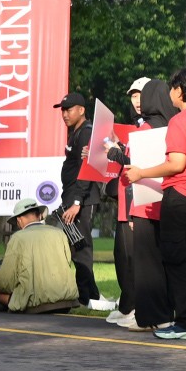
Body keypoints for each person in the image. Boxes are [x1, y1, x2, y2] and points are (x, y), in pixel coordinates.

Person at [122, 68, 186, 340]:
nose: (170, 93)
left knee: (176, 260)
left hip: (182, 196)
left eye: (172, 88)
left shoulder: (180, 121)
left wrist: (141, 173)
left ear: (180, 91)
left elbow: (176, 164)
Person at [106, 74, 171, 332]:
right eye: (133, 96)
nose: (137, 101)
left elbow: (138, 165)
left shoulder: (146, 129)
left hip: (143, 201)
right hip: (159, 199)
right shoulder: (168, 125)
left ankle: (144, 312)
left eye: (141, 95)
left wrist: (116, 152)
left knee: (142, 262)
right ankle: (147, 311)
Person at [55, 93, 111, 310]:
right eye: (63, 110)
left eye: (69, 109)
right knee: (77, 248)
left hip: (81, 201)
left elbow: (86, 171)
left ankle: (89, 298)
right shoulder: (76, 133)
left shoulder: (86, 132)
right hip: (72, 198)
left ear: (81, 110)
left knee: (82, 248)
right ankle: (88, 295)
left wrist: (76, 202)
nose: (64, 114)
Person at [0, 197, 80, 313]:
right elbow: (66, 263)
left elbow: (5, 283)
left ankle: (11, 305)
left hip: (36, 306)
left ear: (19, 220)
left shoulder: (18, 238)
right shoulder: (59, 233)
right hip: (67, 301)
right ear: (40, 216)